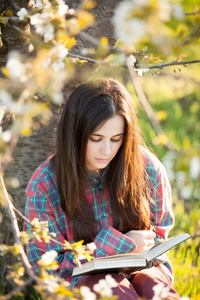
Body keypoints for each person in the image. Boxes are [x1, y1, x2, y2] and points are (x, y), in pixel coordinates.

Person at [24, 78, 179, 299]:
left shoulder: (147, 167)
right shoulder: (45, 185)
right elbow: (45, 268)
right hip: (80, 282)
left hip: (144, 271)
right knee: (113, 290)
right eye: (96, 138)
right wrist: (119, 245)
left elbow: (160, 232)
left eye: (116, 139)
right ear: (75, 133)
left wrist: (139, 255)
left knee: (154, 290)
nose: (106, 150)